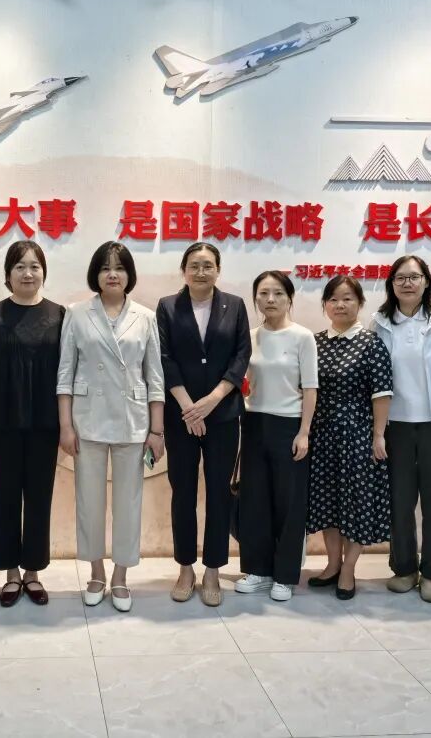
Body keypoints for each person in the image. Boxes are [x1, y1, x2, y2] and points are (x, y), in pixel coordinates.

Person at [57, 242, 165, 613]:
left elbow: (155, 377)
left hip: (132, 420)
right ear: (96, 274)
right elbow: (65, 374)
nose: (112, 274)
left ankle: (120, 575)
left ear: (129, 274)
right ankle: (96, 572)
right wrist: (65, 425)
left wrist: (157, 430)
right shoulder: (77, 313)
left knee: (128, 503)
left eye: (119, 268)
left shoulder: (145, 316)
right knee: (89, 501)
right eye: (105, 268)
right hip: (87, 419)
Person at [0, 241, 65, 608]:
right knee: (4, 498)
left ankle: (33, 572)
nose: (28, 273)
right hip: (3, 424)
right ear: (8, 274)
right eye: (20, 266)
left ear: (44, 272)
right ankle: (10, 574)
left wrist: (68, 422)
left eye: (34, 266)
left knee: (39, 499)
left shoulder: (59, 315)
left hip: (45, 424)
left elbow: (67, 373)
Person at [156, 242, 251, 607]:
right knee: (182, 492)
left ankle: (212, 570)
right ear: (184, 271)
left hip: (223, 414)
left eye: (208, 265)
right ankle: (185, 568)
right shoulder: (167, 306)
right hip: (180, 416)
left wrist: (212, 401)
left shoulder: (235, 306)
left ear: (218, 270)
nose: (201, 272)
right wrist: (188, 407)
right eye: (194, 265)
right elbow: (163, 357)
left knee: (219, 493)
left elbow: (241, 354)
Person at [372, 255, 431, 604]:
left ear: (426, 281)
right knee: (399, 502)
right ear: (391, 284)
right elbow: (374, 380)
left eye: (414, 277)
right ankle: (404, 569)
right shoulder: (381, 322)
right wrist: (376, 430)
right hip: (395, 425)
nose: (407, 283)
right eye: (400, 278)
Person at [306, 276, 393, 601]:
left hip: (358, 435)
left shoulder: (371, 343)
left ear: (360, 303)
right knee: (328, 502)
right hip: (322, 435)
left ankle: (348, 569)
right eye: (333, 299)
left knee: (356, 504)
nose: (340, 305)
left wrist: (378, 435)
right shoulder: (315, 342)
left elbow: (382, 394)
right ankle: (332, 564)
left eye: (347, 299)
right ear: (325, 305)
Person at [235, 270, 317, 603]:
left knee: (289, 503)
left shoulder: (302, 337)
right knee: (255, 500)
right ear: (255, 298)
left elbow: (310, 388)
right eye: (264, 293)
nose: (270, 300)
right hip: (254, 423)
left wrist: (304, 432)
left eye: (278, 293)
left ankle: (284, 575)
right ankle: (258, 571)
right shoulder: (250, 337)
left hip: (290, 426)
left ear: (289, 298)